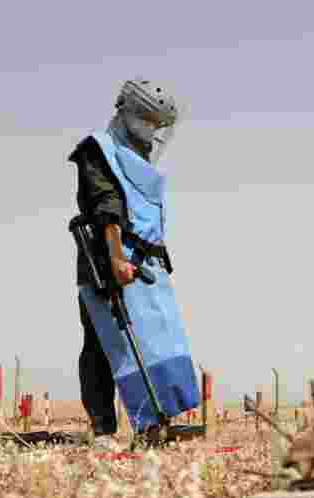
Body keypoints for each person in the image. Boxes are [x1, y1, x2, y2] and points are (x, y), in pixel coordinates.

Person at [69, 78, 200, 448]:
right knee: (104, 344)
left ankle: (154, 423)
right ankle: (103, 431)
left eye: (158, 123)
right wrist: (115, 258)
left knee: (156, 341)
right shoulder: (98, 150)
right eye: (146, 118)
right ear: (127, 112)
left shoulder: (138, 154)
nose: (152, 128)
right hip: (110, 262)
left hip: (146, 266)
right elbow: (105, 205)